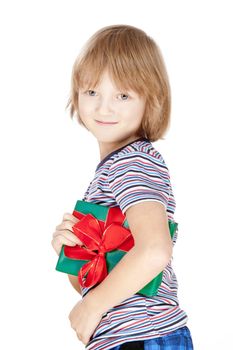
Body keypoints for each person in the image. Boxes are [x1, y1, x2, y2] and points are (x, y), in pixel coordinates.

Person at [51, 24, 194, 350]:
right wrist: (70, 255)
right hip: (131, 336)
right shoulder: (114, 169)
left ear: (152, 100)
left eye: (123, 95)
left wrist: (92, 306)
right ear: (77, 95)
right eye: (92, 92)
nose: (104, 107)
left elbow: (155, 251)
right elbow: (110, 285)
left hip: (143, 337)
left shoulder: (132, 162)